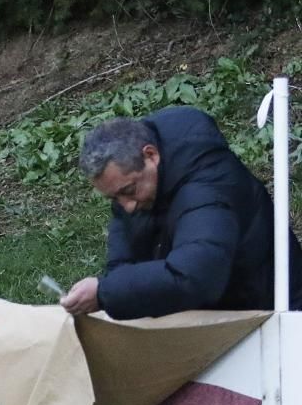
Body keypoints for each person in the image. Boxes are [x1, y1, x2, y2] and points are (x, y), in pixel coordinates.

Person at [60, 105, 302, 319]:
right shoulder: (134, 184)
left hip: (271, 318)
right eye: (114, 198)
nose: (127, 206)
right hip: (215, 317)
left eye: (129, 190)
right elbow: (121, 265)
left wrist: (104, 293)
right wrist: (107, 290)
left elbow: (195, 277)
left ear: (151, 155)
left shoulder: (208, 186)